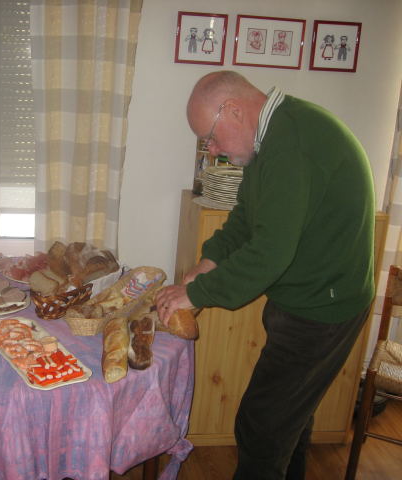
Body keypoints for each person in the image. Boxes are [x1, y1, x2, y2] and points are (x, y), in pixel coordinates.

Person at [156, 70, 375, 479]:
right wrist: (207, 263)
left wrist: (197, 293)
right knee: (288, 421)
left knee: (262, 427)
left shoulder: (290, 145)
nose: (212, 151)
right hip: (304, 298)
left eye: (211, 137)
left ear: (234, 110)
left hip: (323, 310)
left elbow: (269, 254)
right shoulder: (271, 138)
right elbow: (246, 219)